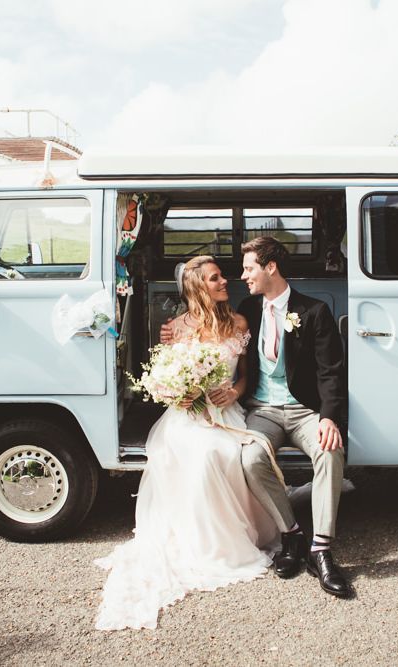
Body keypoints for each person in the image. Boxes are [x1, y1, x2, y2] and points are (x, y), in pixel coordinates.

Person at [94, 256, 280, 631]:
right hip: (187, 416)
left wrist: (234, 392)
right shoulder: (175, 329)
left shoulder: (239, 323)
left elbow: (246, 375)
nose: (225, 281)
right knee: (195, 451)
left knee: (223, 451)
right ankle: (201, 541)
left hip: (224, 413)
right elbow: (164, 379)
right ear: (199, 288)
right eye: (216, 278)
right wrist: (176, 393)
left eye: (222, 276)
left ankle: (228, 538)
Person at [237, 236, 351, 598]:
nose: (244, 276)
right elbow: (212, 327)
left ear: (271, 267)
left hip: (305, 410)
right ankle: (292, 536)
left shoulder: (314, 311)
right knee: (251, 458)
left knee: (330, 450)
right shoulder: (248, 308)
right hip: (263, 409)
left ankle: (321, 548)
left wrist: (329, 417)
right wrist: (177, 329)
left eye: (249, 267)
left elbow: (331, 371)